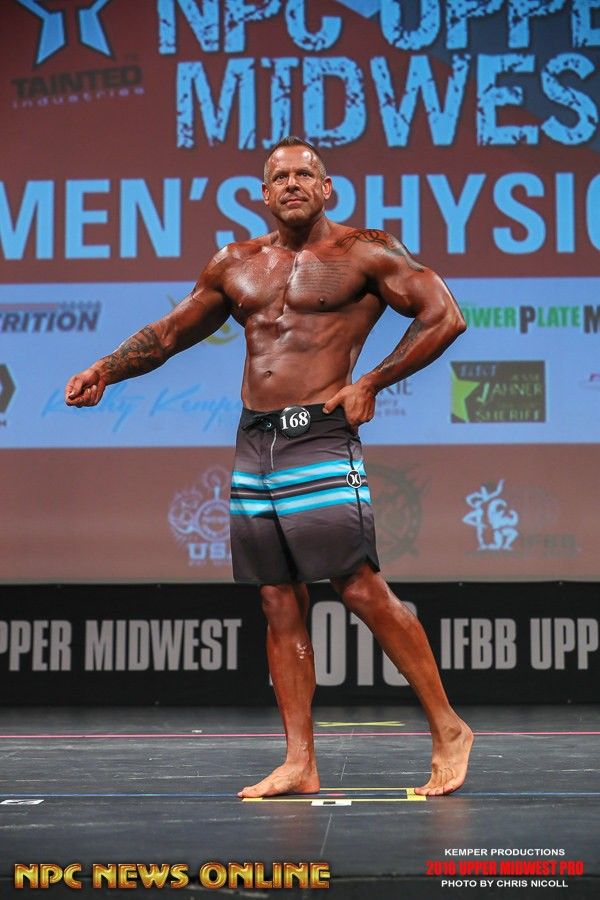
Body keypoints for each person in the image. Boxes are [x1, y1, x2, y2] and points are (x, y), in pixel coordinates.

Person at [65, 136, 473, 798]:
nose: (292, 184)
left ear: (327, 188)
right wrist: (105, 370)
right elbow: (169, 334)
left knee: (358, 586)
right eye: (280, 176)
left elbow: (444, 316)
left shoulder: (366, 252)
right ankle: (299, 761)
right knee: (278, 598)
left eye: (305, 174)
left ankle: (449, 728)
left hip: (319, 434)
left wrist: (372, 380)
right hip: (255, 442)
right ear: (262, 193)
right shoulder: (236, 263)